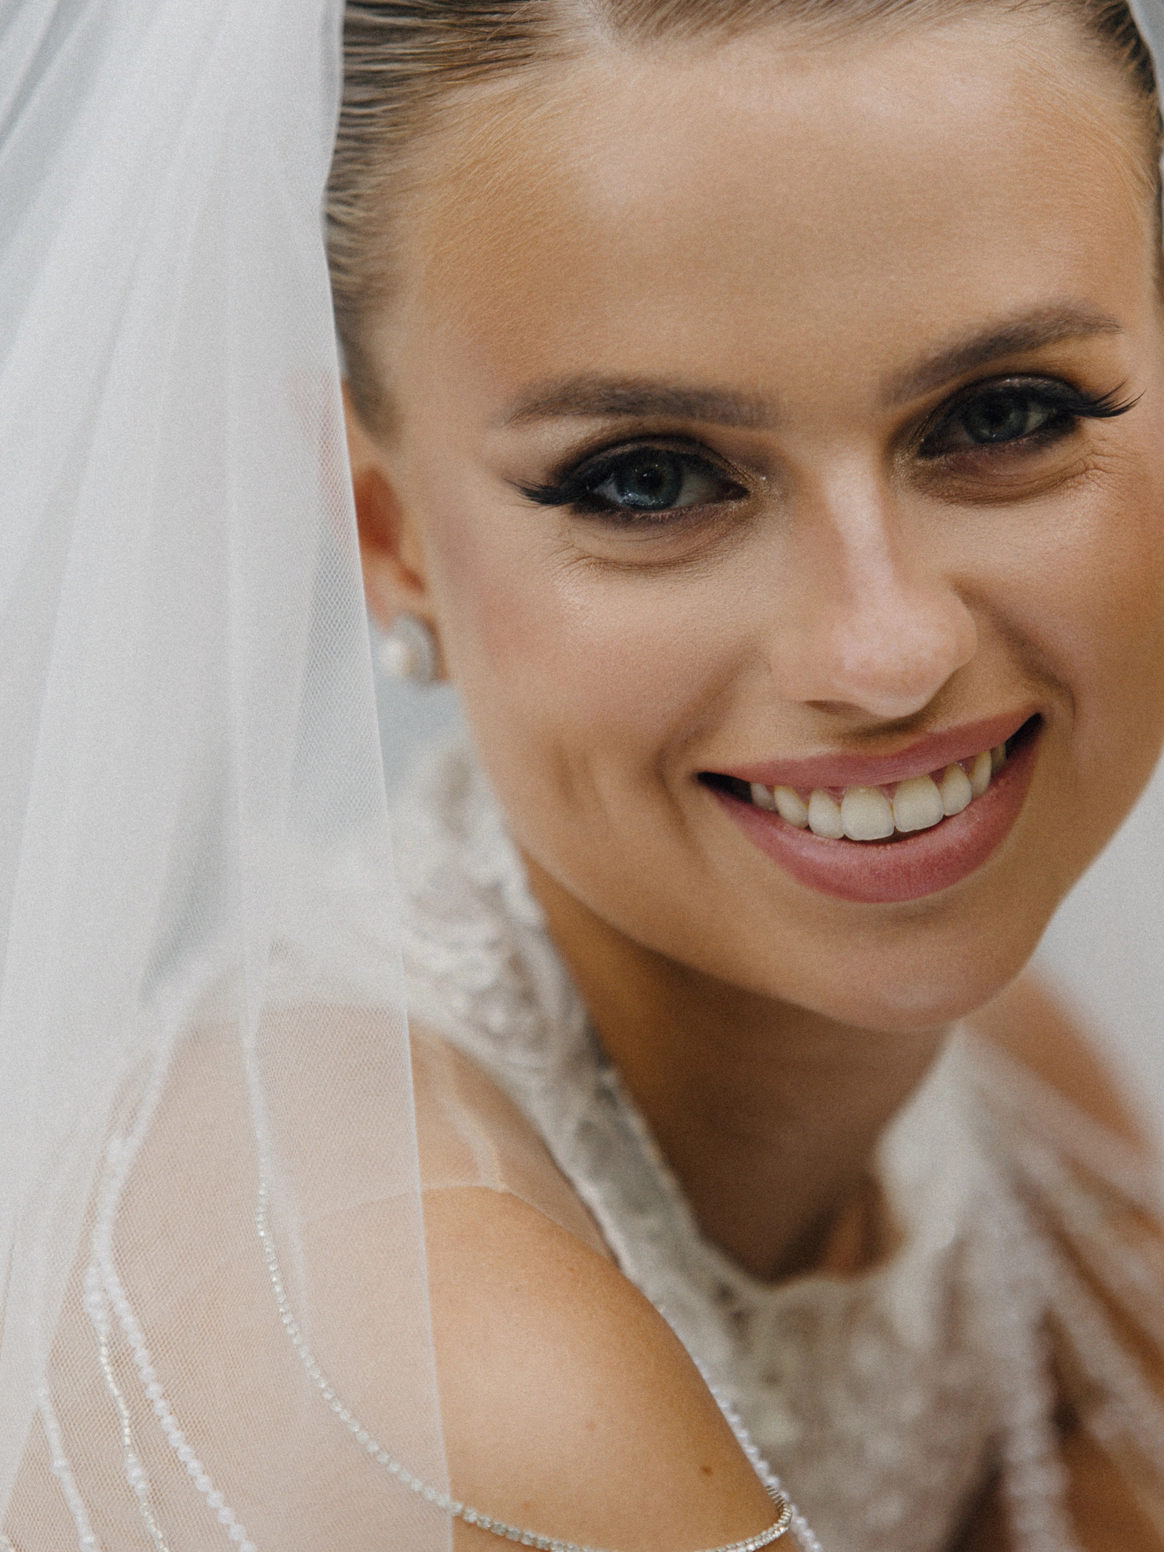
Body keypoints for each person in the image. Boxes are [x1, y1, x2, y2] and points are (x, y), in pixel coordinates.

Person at [3, 2, 1164, 1551]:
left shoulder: (1001, 1087)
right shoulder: (438, 1350)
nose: (886, 651)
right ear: (391, 538)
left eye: (1006, 414)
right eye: (649, 480)